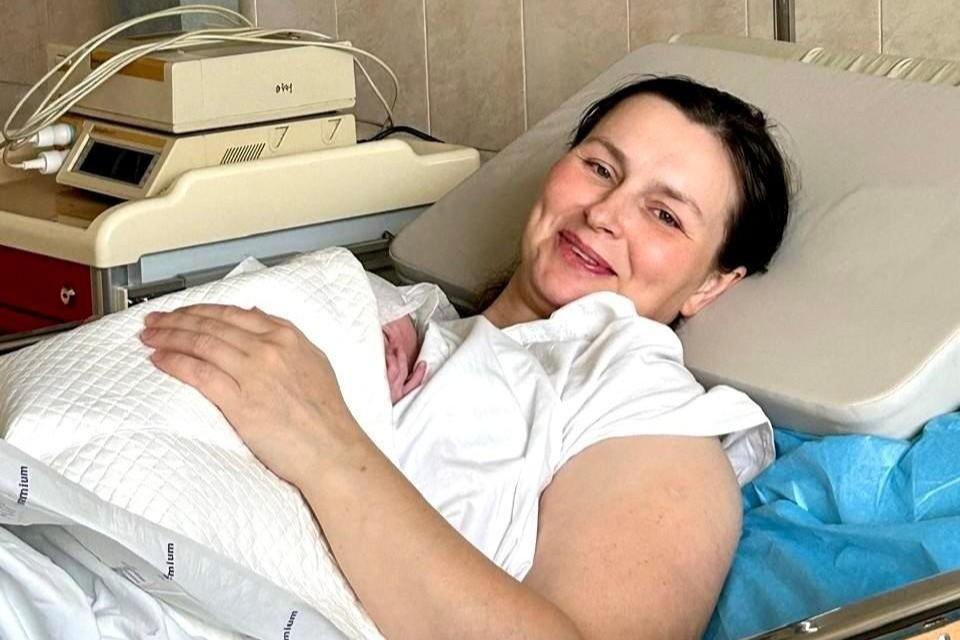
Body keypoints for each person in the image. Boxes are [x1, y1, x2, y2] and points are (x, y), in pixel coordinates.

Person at [139, 75, 790, 639]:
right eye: (600, 168)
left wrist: (324, 442)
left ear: (712, 284)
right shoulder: (399, 317)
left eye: (665, 215)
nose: (604, 213)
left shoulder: (649, 415)